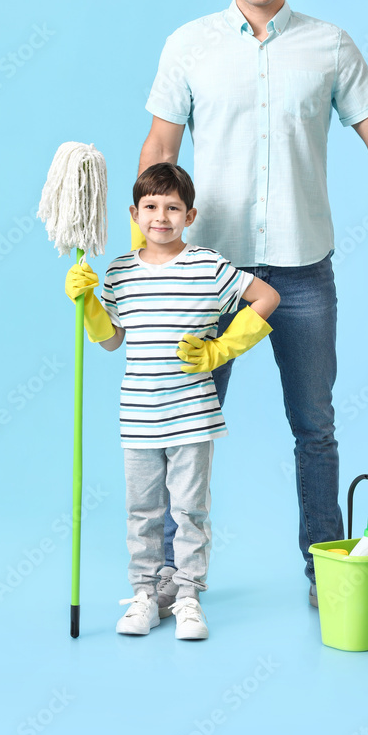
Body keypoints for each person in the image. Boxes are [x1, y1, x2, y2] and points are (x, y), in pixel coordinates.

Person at [133, 0, 368, 609]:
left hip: (302, 270)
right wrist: (144, 253)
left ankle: (326, 577)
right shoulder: (188, 46)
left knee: (314, 429)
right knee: (180, 431)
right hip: (207, 273)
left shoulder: (330, 46)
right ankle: (164, 580)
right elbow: (161, 149)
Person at [65, 162, 279, 639]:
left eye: (172, 207)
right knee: (141, 512)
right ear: (134, 213)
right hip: (139, 417)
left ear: (190, 214)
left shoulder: (207, 267)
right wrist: (89, 306)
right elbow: (111, 341)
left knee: (189, 512)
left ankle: (187, 597)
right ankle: (144, 596)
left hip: (193, 418)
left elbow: (267, 297)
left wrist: (222, 348)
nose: (161, 216)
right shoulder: (119, 272)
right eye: (151, 207)